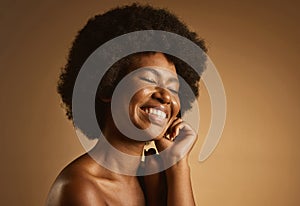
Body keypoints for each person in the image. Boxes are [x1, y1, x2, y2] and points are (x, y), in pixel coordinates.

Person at [46, 3, 207, 206]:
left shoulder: (152, 178)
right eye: (149, 80)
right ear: (107, 87)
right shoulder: (80, 187)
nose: (166, 97)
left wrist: (177, 163)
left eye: (173, 88)